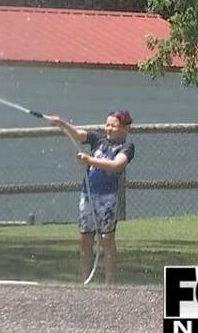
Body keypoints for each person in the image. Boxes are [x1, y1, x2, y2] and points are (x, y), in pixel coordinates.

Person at [47, 110, 135, 285]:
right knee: (85, 238)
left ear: (125, 128)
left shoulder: (127, 148)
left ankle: (110, 282)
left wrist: (90, 161)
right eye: (107, 124)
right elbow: (79, 135)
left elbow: (116, 165)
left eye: (113, 125)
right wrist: (61, 123)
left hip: (108, 198)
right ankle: (85, 281)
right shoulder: (98, 139)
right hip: (88, 195)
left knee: (106, 239)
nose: (108, 128)